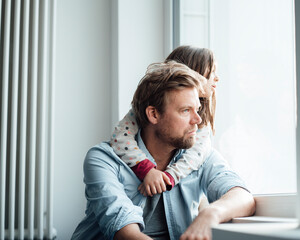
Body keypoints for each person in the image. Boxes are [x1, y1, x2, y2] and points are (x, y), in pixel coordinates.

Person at [71, 61, 255, 240]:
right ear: (153, 114)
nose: (197, 120)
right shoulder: (102, 159)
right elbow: (125, 233)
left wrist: (210, 214)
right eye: (185, 110)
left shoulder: (200, 157)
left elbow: (243, 198)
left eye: (197, 109)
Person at [110, 46, 217, 196]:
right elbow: (120, 136)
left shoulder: (202, 126)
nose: (216, 79)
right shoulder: (144, 109)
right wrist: (146, 170)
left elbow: (195, 155)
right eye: (210, 73)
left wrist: (169, 177)